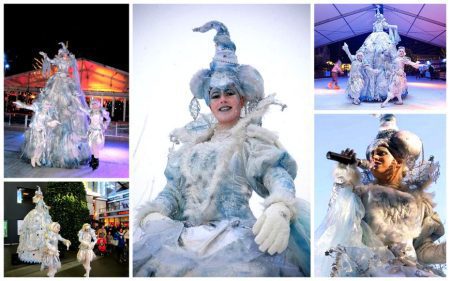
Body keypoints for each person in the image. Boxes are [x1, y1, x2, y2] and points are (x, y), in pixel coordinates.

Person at [134, 21, 310, 277]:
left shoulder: (252, 140)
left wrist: (279, 207)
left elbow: (277, 176)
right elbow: (173, 191)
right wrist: (156, 213)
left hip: (236, 241)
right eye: (215, 95)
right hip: (184, 239)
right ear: (209, 101)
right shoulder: (194, 141)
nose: (222, 99)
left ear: (242, 98)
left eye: (229, 92)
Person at [315, 114, 445, 277]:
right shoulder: (361, 193)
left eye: (381, 153)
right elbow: (337, 218)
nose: (374, 157)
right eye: (371, 154)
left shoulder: (419, 204)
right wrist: (344, 173)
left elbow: (422, 251)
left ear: (399, 161)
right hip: (370, 271)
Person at [23, 42, 91, 168]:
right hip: (57, 81)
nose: (64, 55)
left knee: (69, 100)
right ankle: (38, 155)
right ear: (59, 54)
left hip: (66, 82)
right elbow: (49, 60)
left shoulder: (70, 61)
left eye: (65, 53)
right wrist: (44, 56)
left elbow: (74, 64)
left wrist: (68, 52)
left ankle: (68, 151)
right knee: (53, 99)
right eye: (62, 53)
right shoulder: (57, 60)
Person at [356, 6, 400, 101]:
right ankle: (370, 91)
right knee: (370, 51)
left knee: (383, 53)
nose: (377, 17)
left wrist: (393, 27)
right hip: (373, 38)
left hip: (382, 37)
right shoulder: (374, 23)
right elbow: (373, 31)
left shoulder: (382, 22)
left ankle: (387, 91)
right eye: (376, 15)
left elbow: (387, 26)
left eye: (379, 15)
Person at [13, 100, 61, 167]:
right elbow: (27, 107)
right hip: (36, 130)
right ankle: (33, 158)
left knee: (42, 146)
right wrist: (21, 105)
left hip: (43, 131)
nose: (47, 106)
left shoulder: (48, 115)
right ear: (42, 104)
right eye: (46, 104)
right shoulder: (37, 109)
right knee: (37, 145)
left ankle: (37, 158)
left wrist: (53, 123)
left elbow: (48, 123)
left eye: (48, 105)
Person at [17, 186, 53, 263]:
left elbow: (44, 206)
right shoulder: (37, 199)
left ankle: (43, 251)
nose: (37, 196)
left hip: (42, 214)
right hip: (37, 213)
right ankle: (34, 251)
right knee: (34, 231)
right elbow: (35, 201)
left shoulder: (41, 201)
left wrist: (46, 207)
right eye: (38, 195)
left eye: (39, 195)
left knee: (43, 231)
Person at [80, 99, 111, 170]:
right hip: (91, 132)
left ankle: (96, 162)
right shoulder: (90, 112)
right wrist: (75, 99)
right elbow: (81, 109)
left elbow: (108, 119)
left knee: (95, 146)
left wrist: (105, 125)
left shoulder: (102, 112)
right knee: (92, 147)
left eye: (95, 104)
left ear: (98, 105)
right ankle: (93, 160)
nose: (94, 106)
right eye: (93, 104)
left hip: (98, 132)